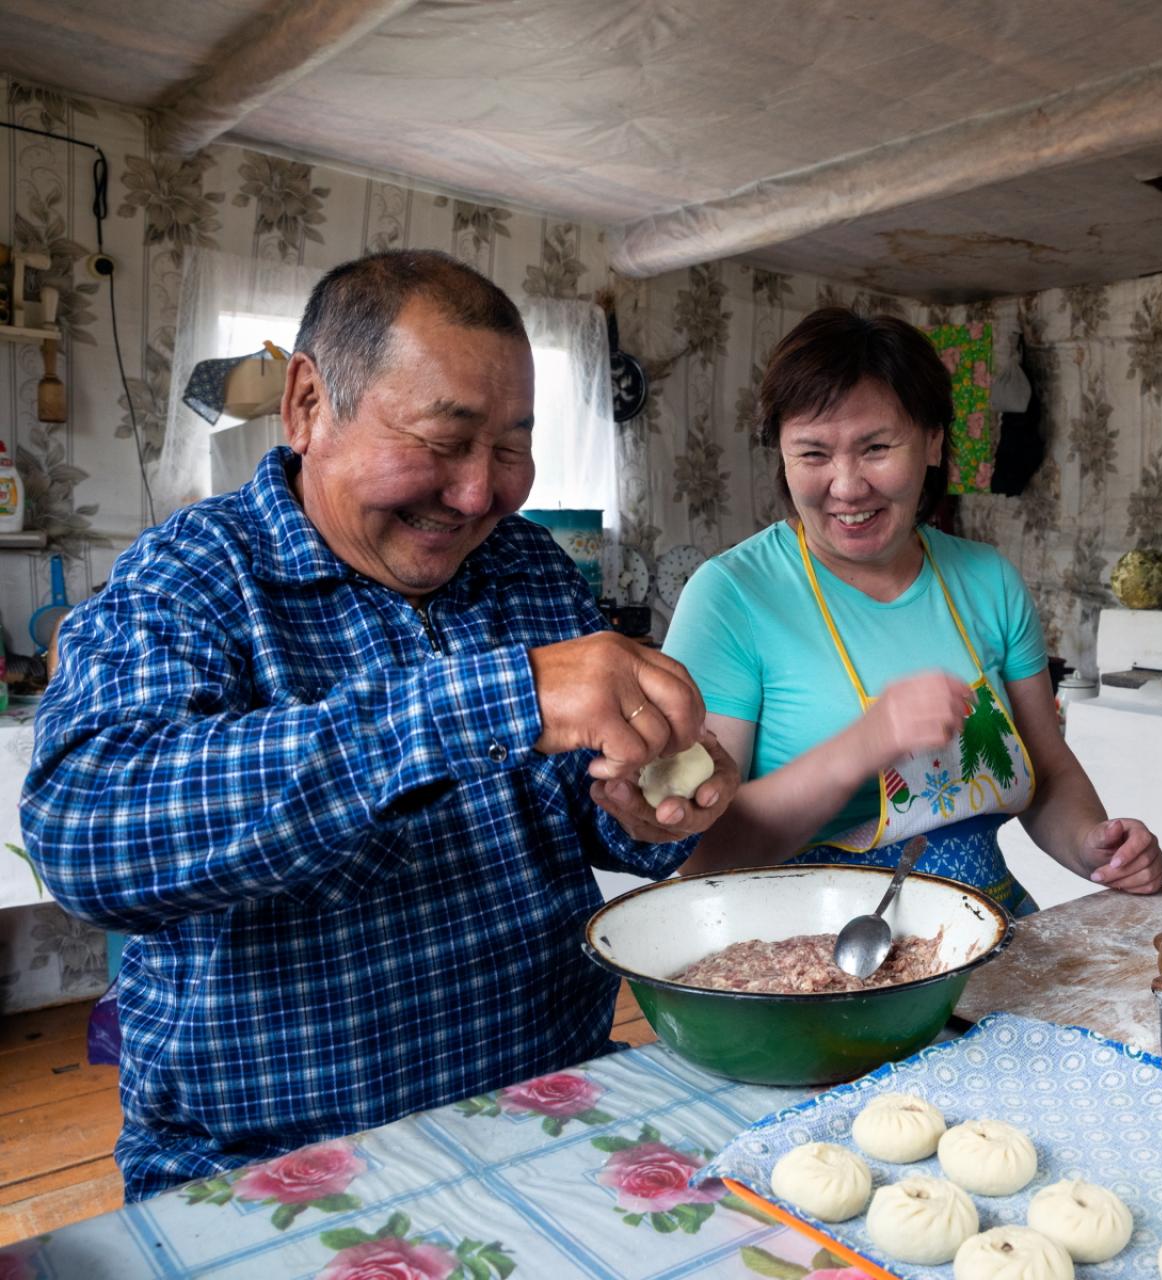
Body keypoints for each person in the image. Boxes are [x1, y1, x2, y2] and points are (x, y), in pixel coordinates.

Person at [22, 250, 738, 1199]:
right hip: (277, 1169)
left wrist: (647, 809)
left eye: (513, 446)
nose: (481, 493)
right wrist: (499, 697)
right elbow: (84, 833)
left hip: (550, 1109)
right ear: (309, 405)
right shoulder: (194, 578)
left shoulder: (528, 570)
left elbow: (585, 813)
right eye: (444, 440)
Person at [663, 308, 1162, 914]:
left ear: (932, 440)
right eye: (813, 454)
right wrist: (865, 744)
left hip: (987, 923)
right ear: (782, 455)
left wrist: (1094, 845)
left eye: (876, 447)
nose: (846, 486)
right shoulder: (731, 597)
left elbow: (1047, 770)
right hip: (807, 948)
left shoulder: (989, 582)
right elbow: (701, 853)